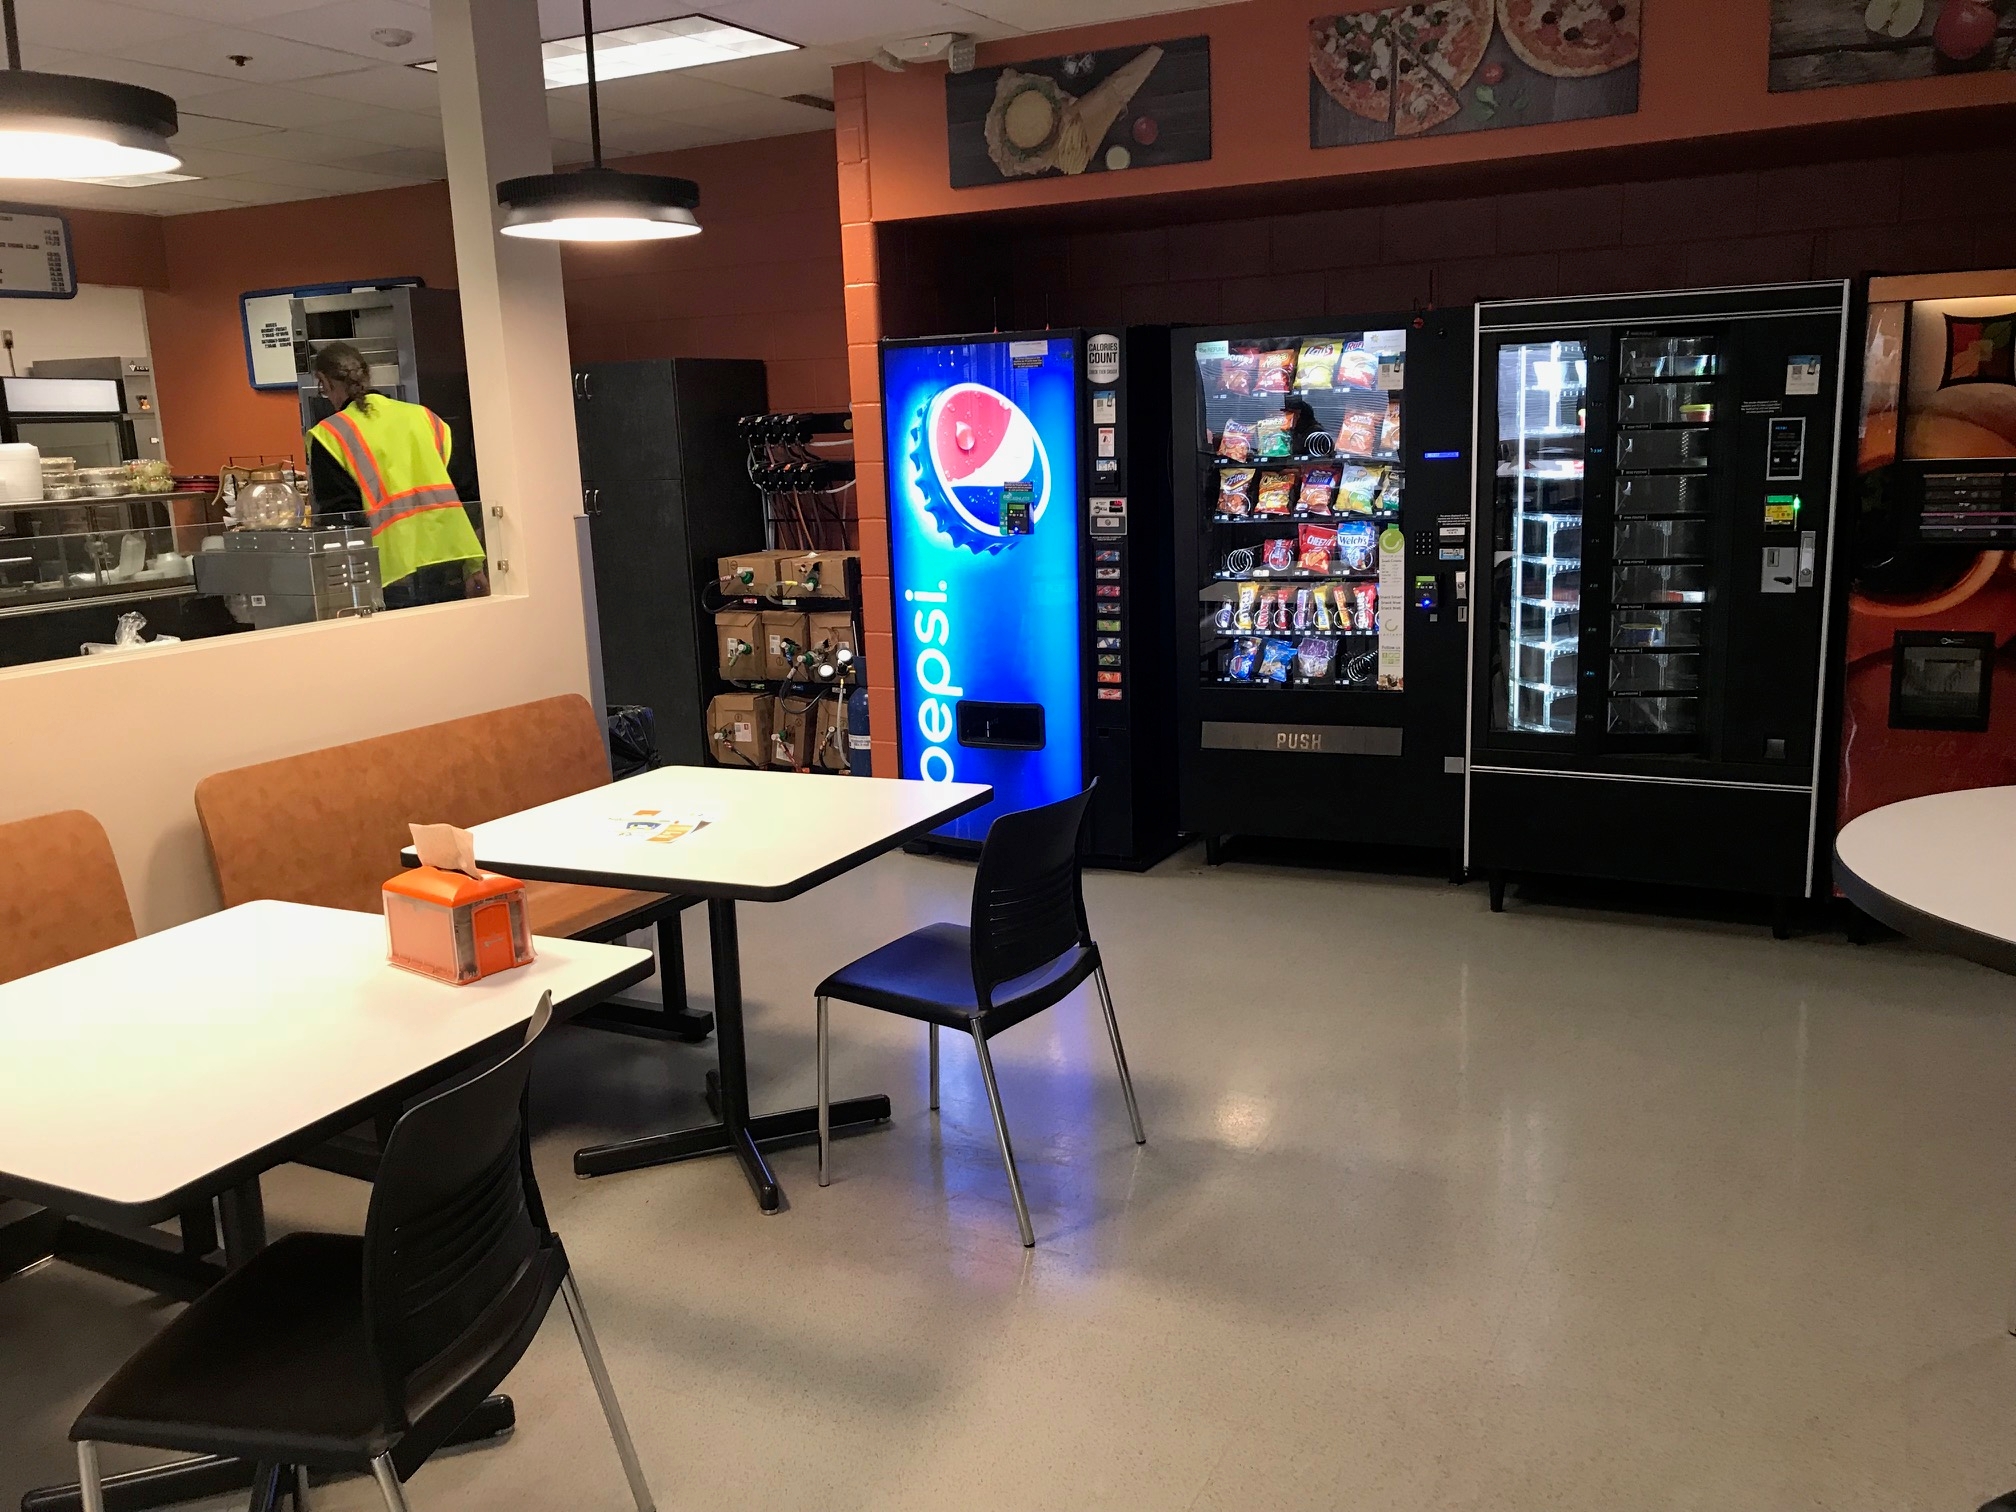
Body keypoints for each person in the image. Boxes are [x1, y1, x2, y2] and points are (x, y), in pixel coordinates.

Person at [305, 342, 488, 609]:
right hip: (452, 563)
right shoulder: (424, 417)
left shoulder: (330, 435)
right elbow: (468, 495)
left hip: (389, 574)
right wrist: (474, 567)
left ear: (325, 382)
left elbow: (340, 519)